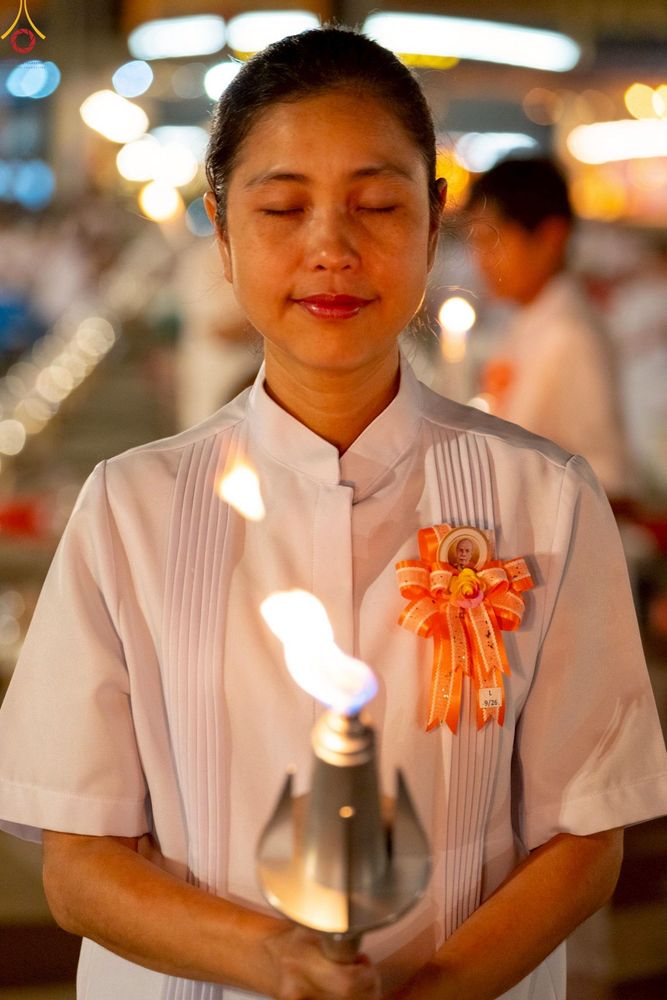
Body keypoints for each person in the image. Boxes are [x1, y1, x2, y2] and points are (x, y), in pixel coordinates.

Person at [0, 26, 665, 1000]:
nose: (331, 248)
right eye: (282, 206)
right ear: (220, 230)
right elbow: (79, 861)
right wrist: (270, 958)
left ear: (433, 222)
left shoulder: (543, 503)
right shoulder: (129, 510)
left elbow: (584, 833)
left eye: (376, 203)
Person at [466, 157, 629, 499]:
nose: (481, 258)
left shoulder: (568, 335)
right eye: (476, 241)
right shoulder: (525, 318)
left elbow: (606, 478)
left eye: (492, 240)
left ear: (550, 236)